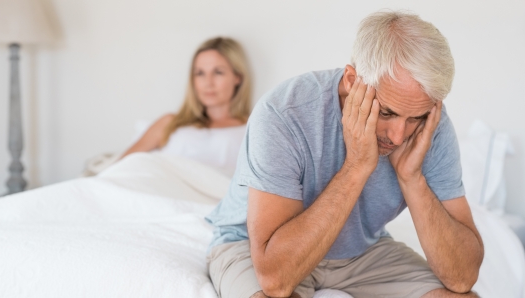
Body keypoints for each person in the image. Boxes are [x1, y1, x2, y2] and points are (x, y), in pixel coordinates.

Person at [205, 11, 484, 298]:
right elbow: (276, 280)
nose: (398, 136)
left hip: (360, 252)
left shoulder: (431, 125)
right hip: (255, 247)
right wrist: (356, 167)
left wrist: (412, 179)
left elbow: (462, 278)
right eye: (386, 112)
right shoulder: (283, 113)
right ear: (352, 80)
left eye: (415, 117)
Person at [120, 37, 252, 176]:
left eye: (218, 72)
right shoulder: (170, 123)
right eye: (200, 73)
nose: (208, 83)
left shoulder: (252, 130)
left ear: (238, 77)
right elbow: (120, 167)